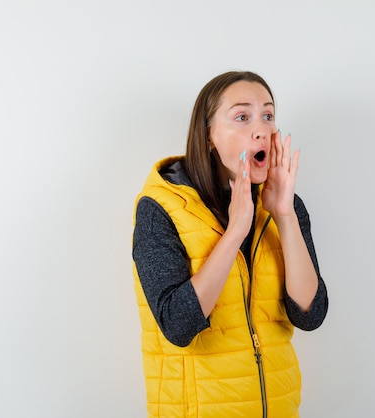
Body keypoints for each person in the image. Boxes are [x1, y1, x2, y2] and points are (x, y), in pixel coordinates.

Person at [132, 71, 328, 418]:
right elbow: (178, 325)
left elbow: (309, 313)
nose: (261, 129)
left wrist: (283, 213)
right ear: (208, 136)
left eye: (268, 115)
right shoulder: (161, 208)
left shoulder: (284, 206)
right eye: (242, 117)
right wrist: (236, 230)